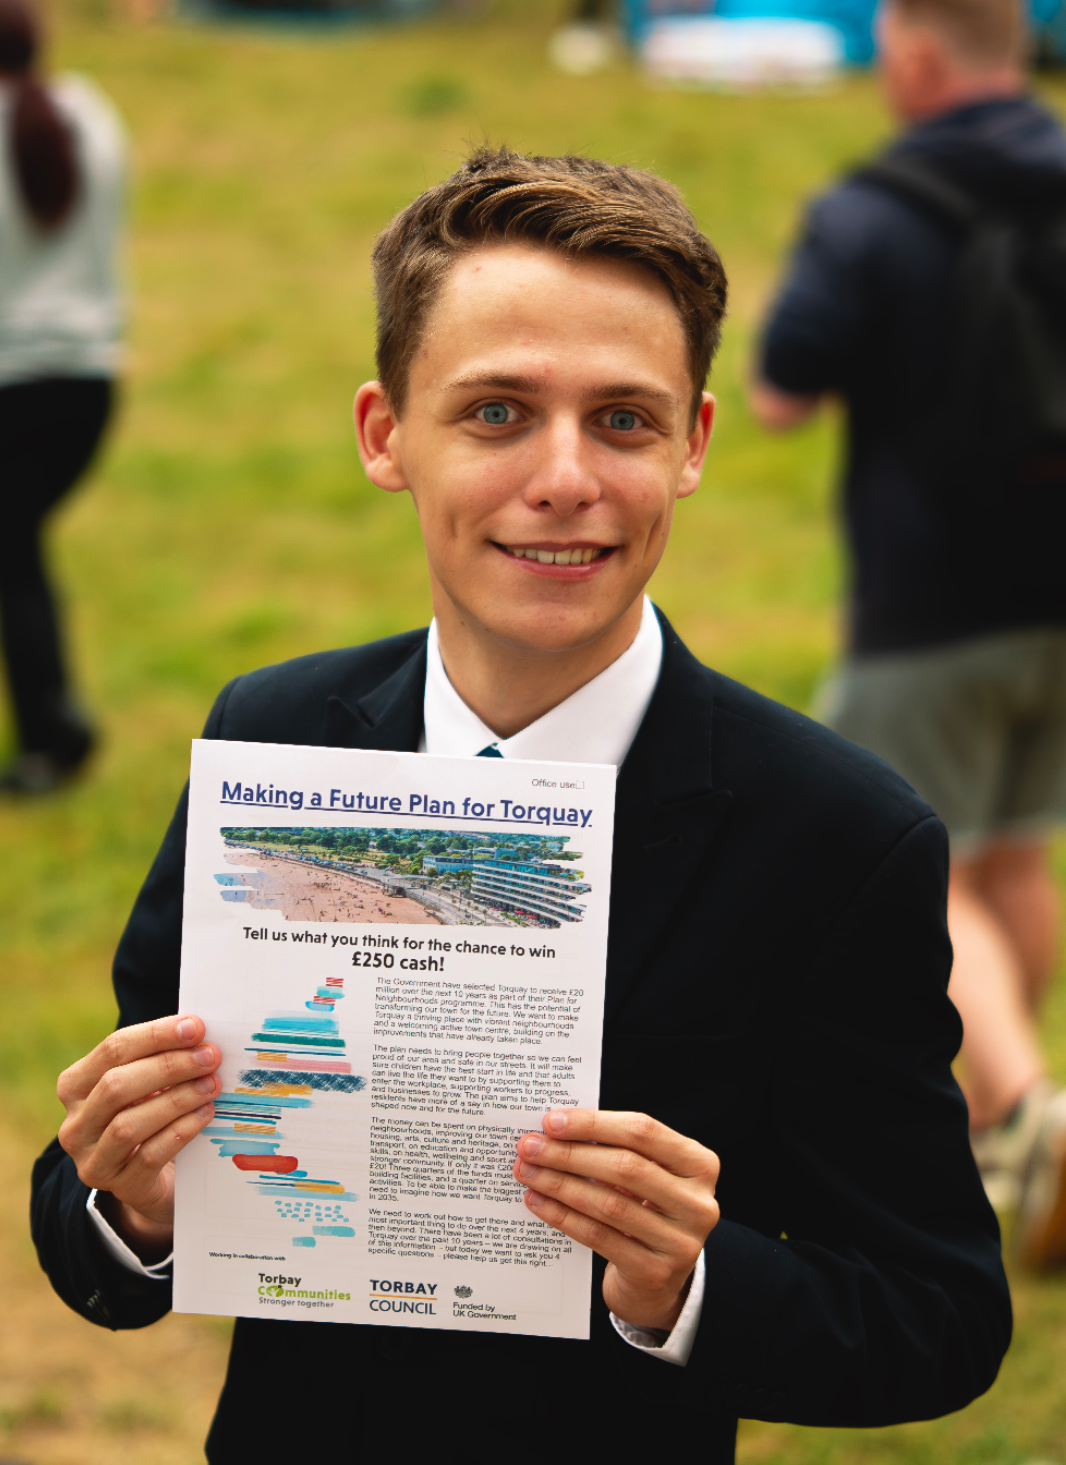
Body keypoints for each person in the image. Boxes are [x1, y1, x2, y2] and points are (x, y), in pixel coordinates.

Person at [32, 148, 1009, 1462]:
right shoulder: (274, 736)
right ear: (387, 434)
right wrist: (128, 1202)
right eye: (496, 413)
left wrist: (689, 1280)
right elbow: (101, 1228)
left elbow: (938, 1315)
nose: (564, 477)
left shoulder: (834, 838)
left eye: (621, 418)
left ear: (691, 445)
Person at [751, 0, 1066, 1264]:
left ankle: (1026, 1119)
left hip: (930, 600)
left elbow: (776, 391)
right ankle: (1019, 1128)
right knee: (1011, 854)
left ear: (920, 55)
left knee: (928, 868)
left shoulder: (872, 209)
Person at [0, 0, 125, 794]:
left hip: (10, 387)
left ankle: (54, 737)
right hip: (87, 384)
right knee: (16, 555)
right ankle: (55, 727)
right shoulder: (89, 114)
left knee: (14, 561)